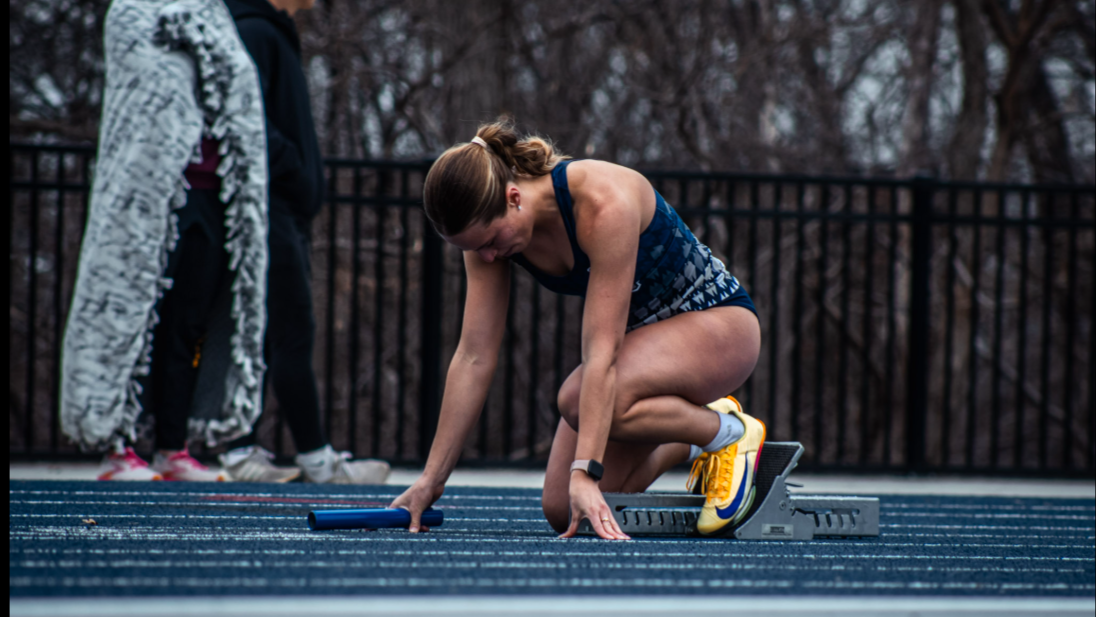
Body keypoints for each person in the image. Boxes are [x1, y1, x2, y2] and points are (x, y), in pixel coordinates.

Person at [391, 120, 764, 539]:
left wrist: (585, 474)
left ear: (514, 197)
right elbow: (474, 355)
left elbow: (602, 352)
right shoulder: (487, 238)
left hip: (718, 329)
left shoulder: (602, 202)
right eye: (476, 249)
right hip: (643, 356)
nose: (489, 257)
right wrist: (431, 480)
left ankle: (729, 435)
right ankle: (692, 435)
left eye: (491, 242)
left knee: (574, 399)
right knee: (560, 510)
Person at [61, 0, 270, 481]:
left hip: (214, 194)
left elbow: (240, 96)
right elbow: (146, 95)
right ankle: (117, 444)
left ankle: (172, 446)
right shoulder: (132, 12)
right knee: (133, 315)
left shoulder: (215, 16)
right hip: (151, 197)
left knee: (188, 324)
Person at [216, 0, 389, 485]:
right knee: (285, 330)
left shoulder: (269, 31)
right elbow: (243, 119)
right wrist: (291, 168)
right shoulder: (256, 31)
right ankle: (282, 455)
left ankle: (253, 451)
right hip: (268, 207)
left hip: (279, 208)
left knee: (272, 332)